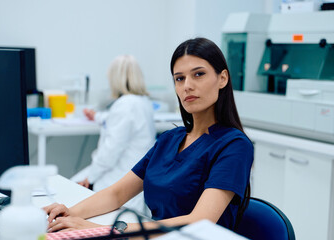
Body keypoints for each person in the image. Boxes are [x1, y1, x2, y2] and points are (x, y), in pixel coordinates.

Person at [44, 38, 254, 234]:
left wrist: (104, 229)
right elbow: (116, 194)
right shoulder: (170, 139)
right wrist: (70, 212)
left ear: (223, 78)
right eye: (179, 78)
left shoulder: (234, 145)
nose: (187, 85)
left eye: (198, 74)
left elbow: (199, 221)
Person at [71, 55, 156, 215]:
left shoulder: (125, 105)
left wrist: (90, 178)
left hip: (119, 178)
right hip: (134, 176)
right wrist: (96, 116)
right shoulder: (142, 102)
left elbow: (110, 152)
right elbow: (116, 122)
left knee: (70, 190)